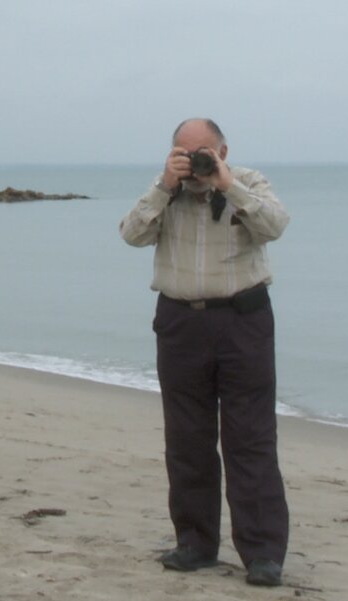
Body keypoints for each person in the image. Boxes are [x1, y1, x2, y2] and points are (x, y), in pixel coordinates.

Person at [119, 118, 290, 587]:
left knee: (250, 438)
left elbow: (275, 226)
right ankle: (195, 543)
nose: (193, 161)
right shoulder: (165, 191)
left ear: (223, 151)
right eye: (182, 151)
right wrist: (164, 186)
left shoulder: (249, 182)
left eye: (202, 153)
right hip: (180, 323)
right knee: (187, 437)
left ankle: (262, 554)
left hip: (244, 322)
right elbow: (131, 234)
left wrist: (227, 184)